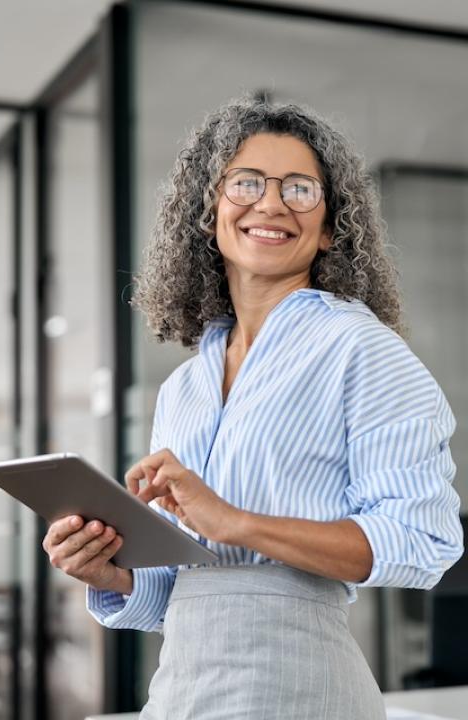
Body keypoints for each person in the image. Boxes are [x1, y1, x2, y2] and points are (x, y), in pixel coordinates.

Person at [42, 96, 464, 719]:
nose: (271, 203)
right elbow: (189, 590)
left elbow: (423, 541)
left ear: (330, 226)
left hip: (300, 689)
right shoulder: (185, 386)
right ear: (208, 209)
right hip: (183, 693)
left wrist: (235, 521)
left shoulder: (360, 348)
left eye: (299, 188)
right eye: (246, 183)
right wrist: (112, 573)